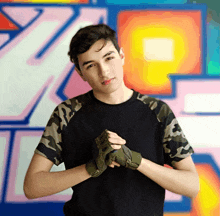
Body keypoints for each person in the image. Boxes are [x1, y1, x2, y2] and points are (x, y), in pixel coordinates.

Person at [23, 24, 199, 216]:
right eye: (91, 65)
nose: (104, 71)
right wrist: (91, 167)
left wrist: (135, 161)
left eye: (109, 58)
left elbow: (192, 185)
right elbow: (32, 187)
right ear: (80, 73)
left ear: (121, 56)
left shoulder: (157, 111)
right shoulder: (66, 113)